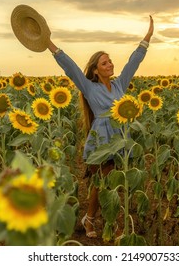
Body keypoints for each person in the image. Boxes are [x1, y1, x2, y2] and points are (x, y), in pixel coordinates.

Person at [47, 16, 154, 238]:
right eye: (104, 63)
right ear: (96, 70)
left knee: (115, 183)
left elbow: (133, 62)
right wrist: (49, 44)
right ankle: (90, 218)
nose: (110, 64)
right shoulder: (89, 87)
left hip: (119, 137)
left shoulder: (119, 85)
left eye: (110, 61)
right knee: (100, 182)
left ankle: (109, 221)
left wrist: (147, 38)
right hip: (100, 140)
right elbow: (70, 68)